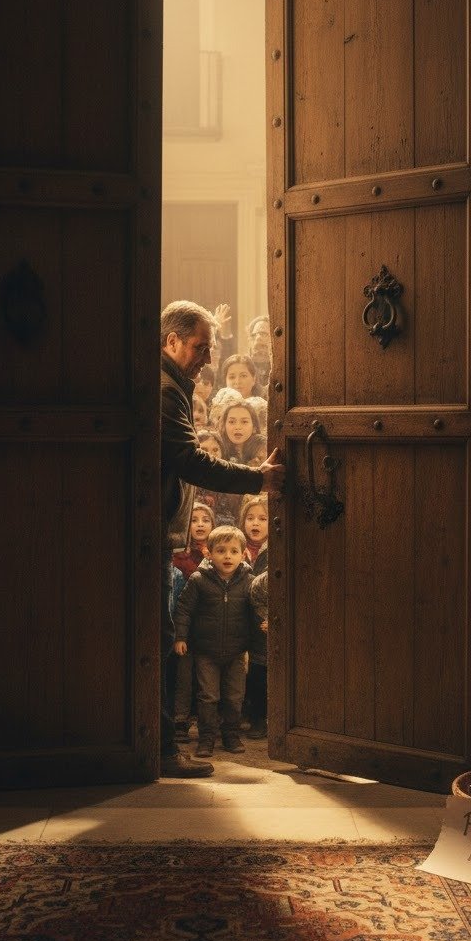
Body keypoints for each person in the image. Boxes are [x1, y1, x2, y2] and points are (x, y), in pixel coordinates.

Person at [160, 300, 285, 777]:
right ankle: (163, 750)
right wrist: (258, 479)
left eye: (211, 348)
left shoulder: (174, 383)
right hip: (152, 531)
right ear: (171, 340)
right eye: (199, 347)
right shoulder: (167, 389)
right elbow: (191, 461)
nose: (207, 359)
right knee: (161, 638)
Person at [173, 525, 262, 756]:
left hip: (236, 652)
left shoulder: (248, 581)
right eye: (221, 551)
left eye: (233, 551)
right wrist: (181, 637)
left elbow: (256, 612)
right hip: (206, 652)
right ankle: (206, 738)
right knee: (208, 697)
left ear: (242, 555)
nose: (227, 556)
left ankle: (230, 735)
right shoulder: (198, 580)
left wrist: (259, 635)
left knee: (234, 697)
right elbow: (183, 610)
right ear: (209, 554)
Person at [246, 566, 269, 739]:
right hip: (261, 645)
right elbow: (256, 603)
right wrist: (268, 618)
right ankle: (258, 720)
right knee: (258, 683)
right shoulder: (261, 582)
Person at [218, 398, 266, 467]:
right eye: (232, 422)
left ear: (254, 427)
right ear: (224, 425)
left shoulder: (262, 448)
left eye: (244, 422)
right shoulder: (216, 449)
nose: (237, 427)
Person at [239, 494, 269, 569]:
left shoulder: (276, 550)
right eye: (250, 518)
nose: (255, 523)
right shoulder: (236, 547)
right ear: (243, 521)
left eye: (262, 519)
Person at [246, 314, 272, 388]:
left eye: (263, 333)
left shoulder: (282, 367)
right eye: (254, 335)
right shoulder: (242, 365)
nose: (258, 338)